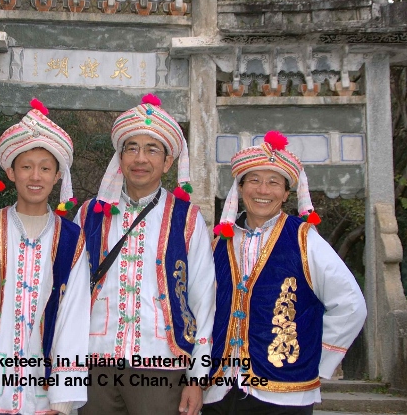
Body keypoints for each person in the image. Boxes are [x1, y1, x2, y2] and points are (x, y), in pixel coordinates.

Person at [204, 131, 367, 415]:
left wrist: (315, 358)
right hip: (219, 389)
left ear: (286, 194)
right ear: (240, 188)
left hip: (284, 394)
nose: (263, 190)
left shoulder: (305, 240)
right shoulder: (219, 244)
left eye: (273, 182)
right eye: (254, 180)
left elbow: (351, 304)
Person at [0, 99, 91, 415]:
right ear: (11, 172)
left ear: (57, 176)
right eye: (26, 167)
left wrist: (63, 393)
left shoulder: (71, 239)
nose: (35, 176)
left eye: (45, 168)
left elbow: (74, 315)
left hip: (43, 394)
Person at [76, 94, 215, 415]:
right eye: (132, 148)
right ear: (120, 157)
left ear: (167, 162)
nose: (140, 158)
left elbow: (203, 299)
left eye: (152, 149)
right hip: (94, 360)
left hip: (161, 364)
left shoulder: (187, 218)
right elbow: (69, 292)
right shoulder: (89, 214)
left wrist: (197, 376)